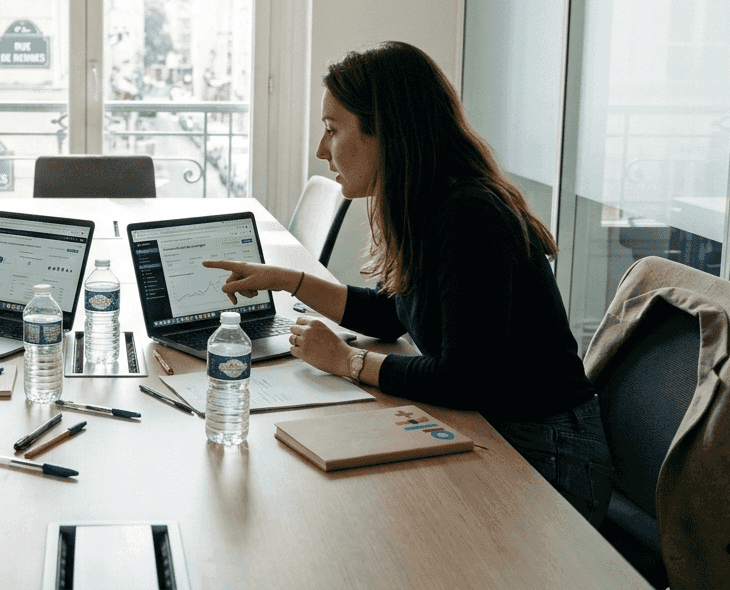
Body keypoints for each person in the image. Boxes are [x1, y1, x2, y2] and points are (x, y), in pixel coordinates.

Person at [204, 41, 612, 525]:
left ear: (387, 133)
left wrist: (347, 361)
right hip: (499, 425)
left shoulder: (468, 215)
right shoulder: (428, 202)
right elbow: (391, 311)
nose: (320, 149)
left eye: (333, 130)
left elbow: (465, 378)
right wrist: (290, 281)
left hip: (547, 450)